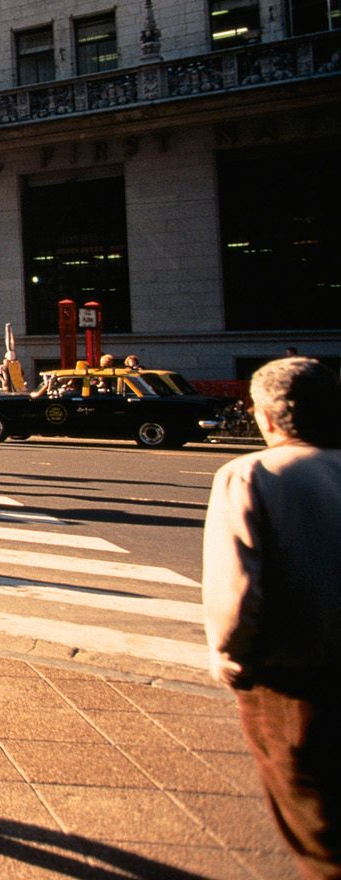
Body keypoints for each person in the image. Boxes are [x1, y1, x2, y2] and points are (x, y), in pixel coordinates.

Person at [203, 358, 341, 879]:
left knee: (316, 827)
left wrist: (233, 662)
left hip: (293, 680)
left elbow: (237, 590)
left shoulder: (250, 475)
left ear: (266, 417)